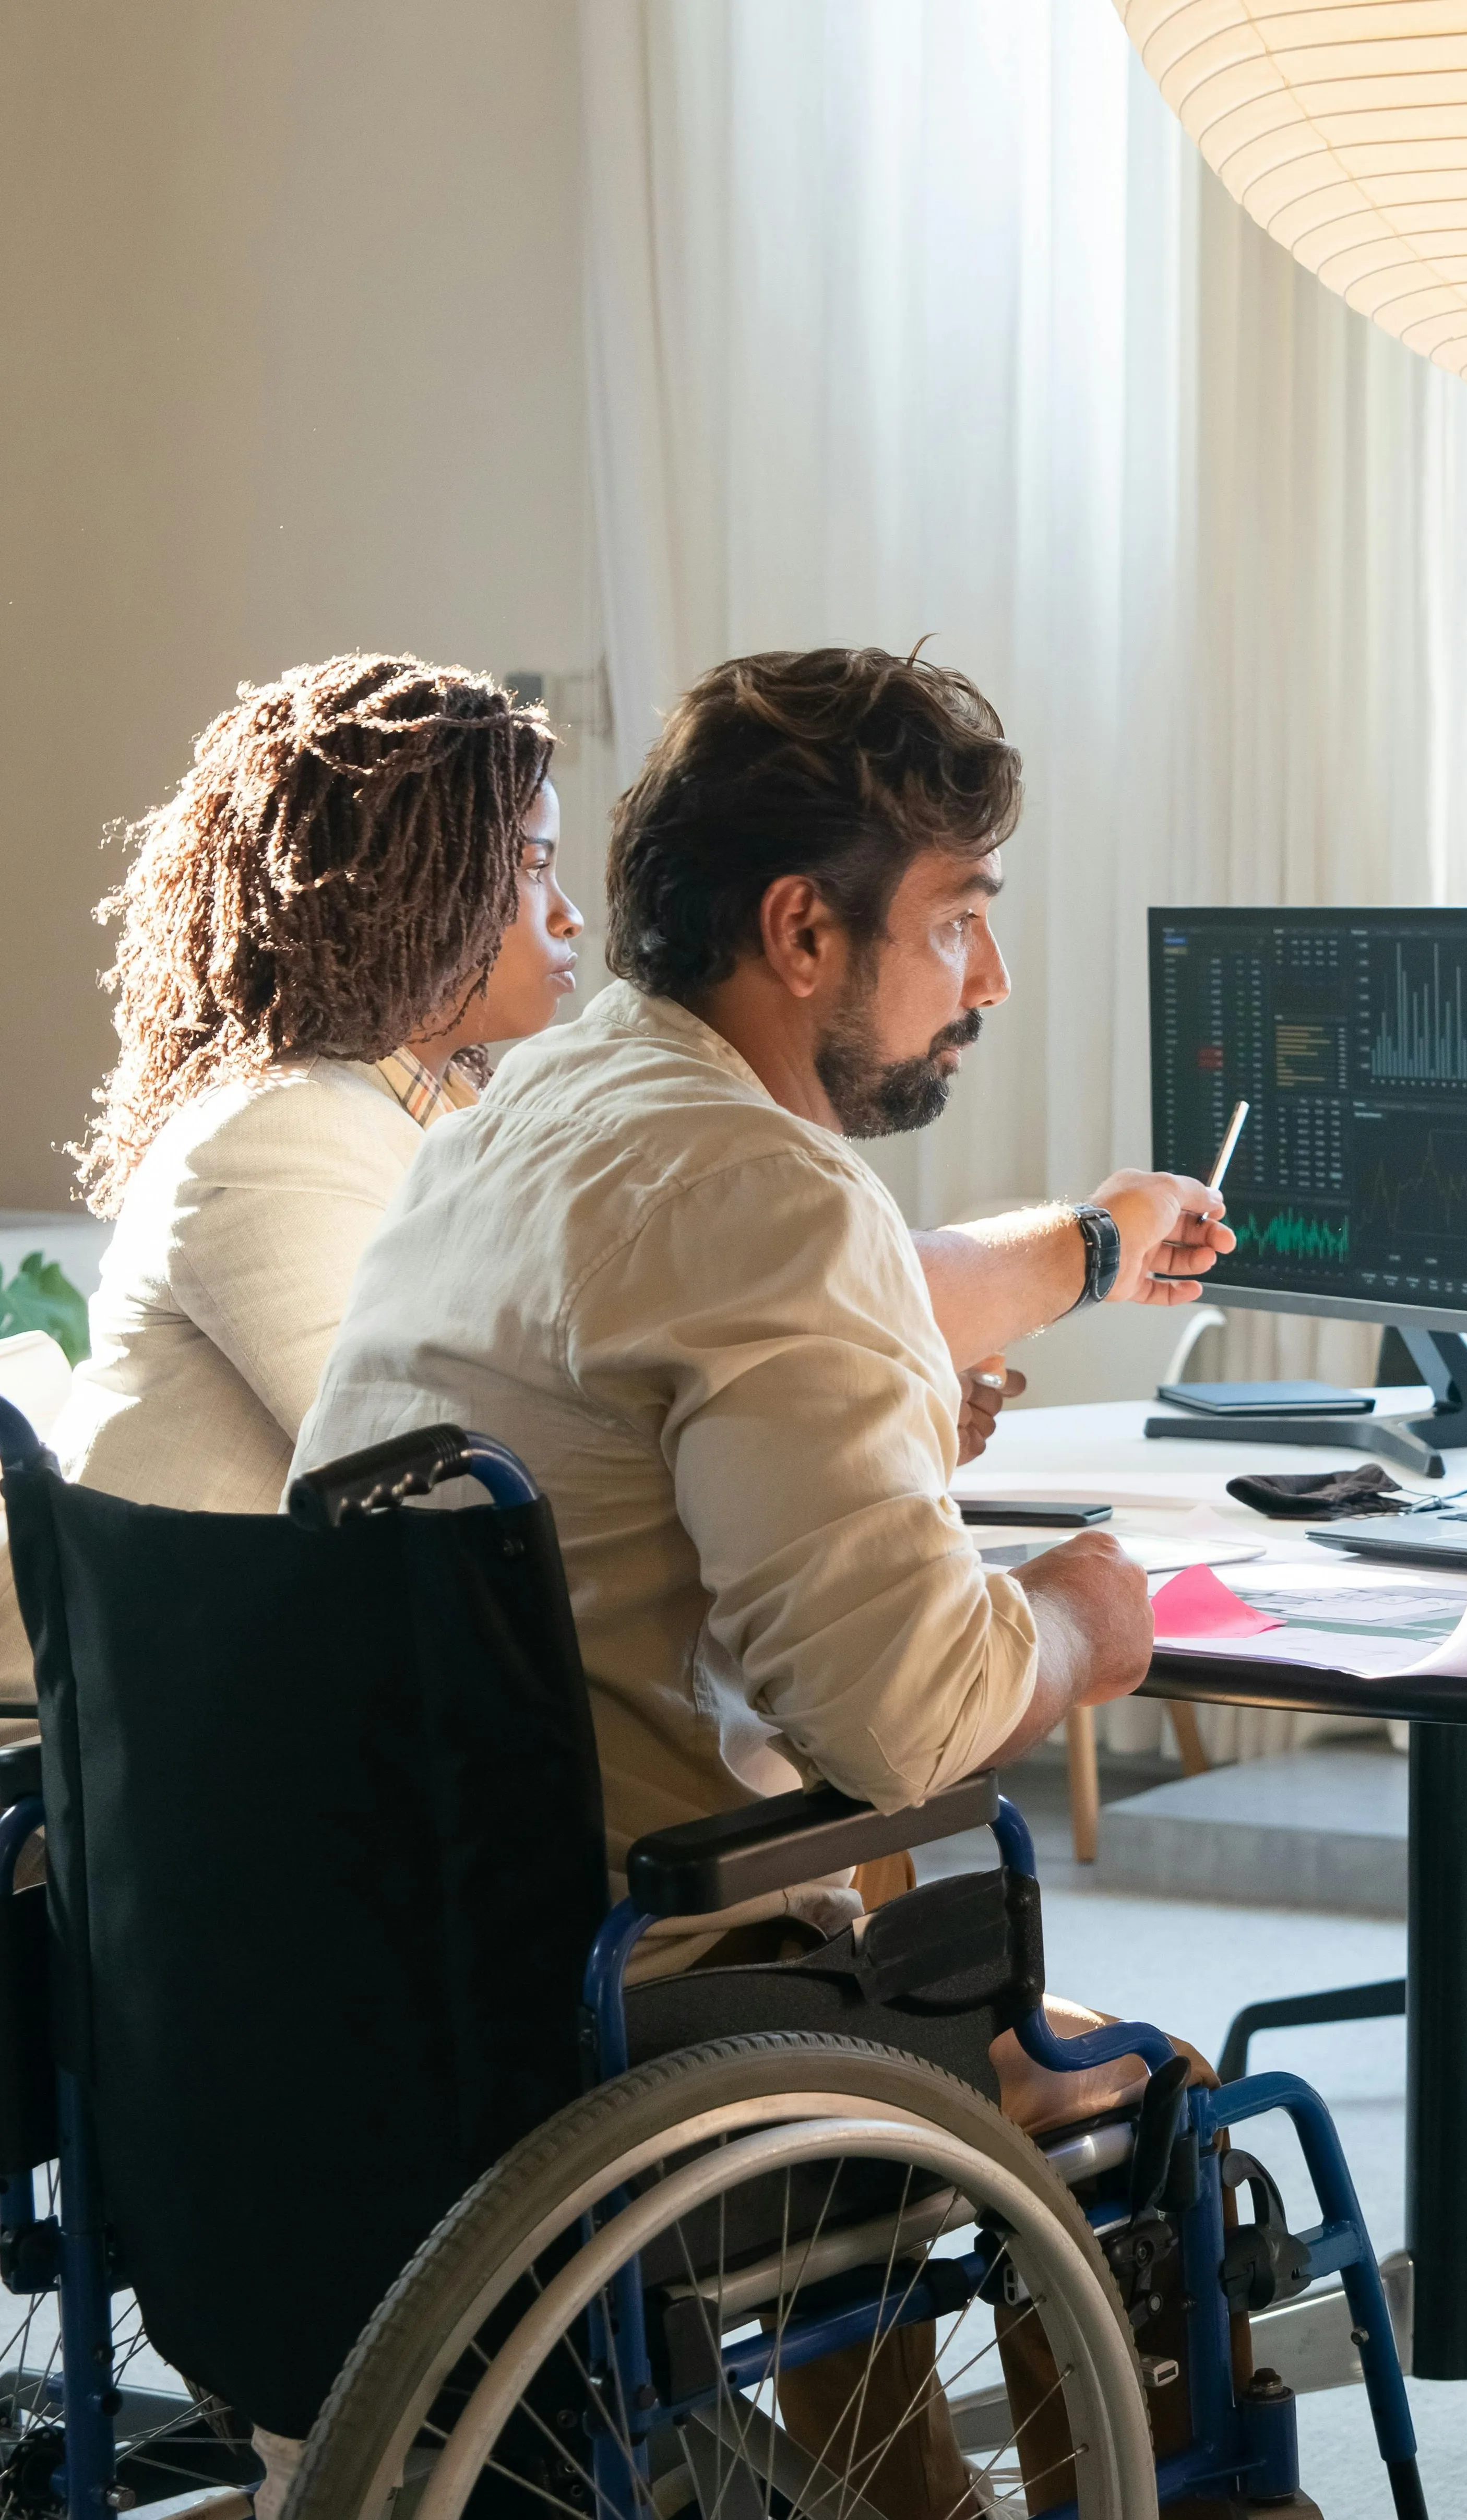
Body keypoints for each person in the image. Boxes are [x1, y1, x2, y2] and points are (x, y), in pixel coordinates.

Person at [291, 645, 1232, 2507]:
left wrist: (949, 1359)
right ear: (805, 931)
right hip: (607, 1998)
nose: (993, 975)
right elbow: (904, 1713)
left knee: (851, 1966)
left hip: (362, 1965)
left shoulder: (510, 1120)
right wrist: (1080, 1619)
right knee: (1138, 2079)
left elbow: (671, 1425)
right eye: (960, 916)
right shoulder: (770, 1191)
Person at [0, 654, 581, 1703]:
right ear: (412, 883)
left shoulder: (437, 1113)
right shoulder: (279, 1133)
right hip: (214, 1727)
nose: (571, 914)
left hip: (302, 1687)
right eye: (535, 866)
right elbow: (430, 1484)